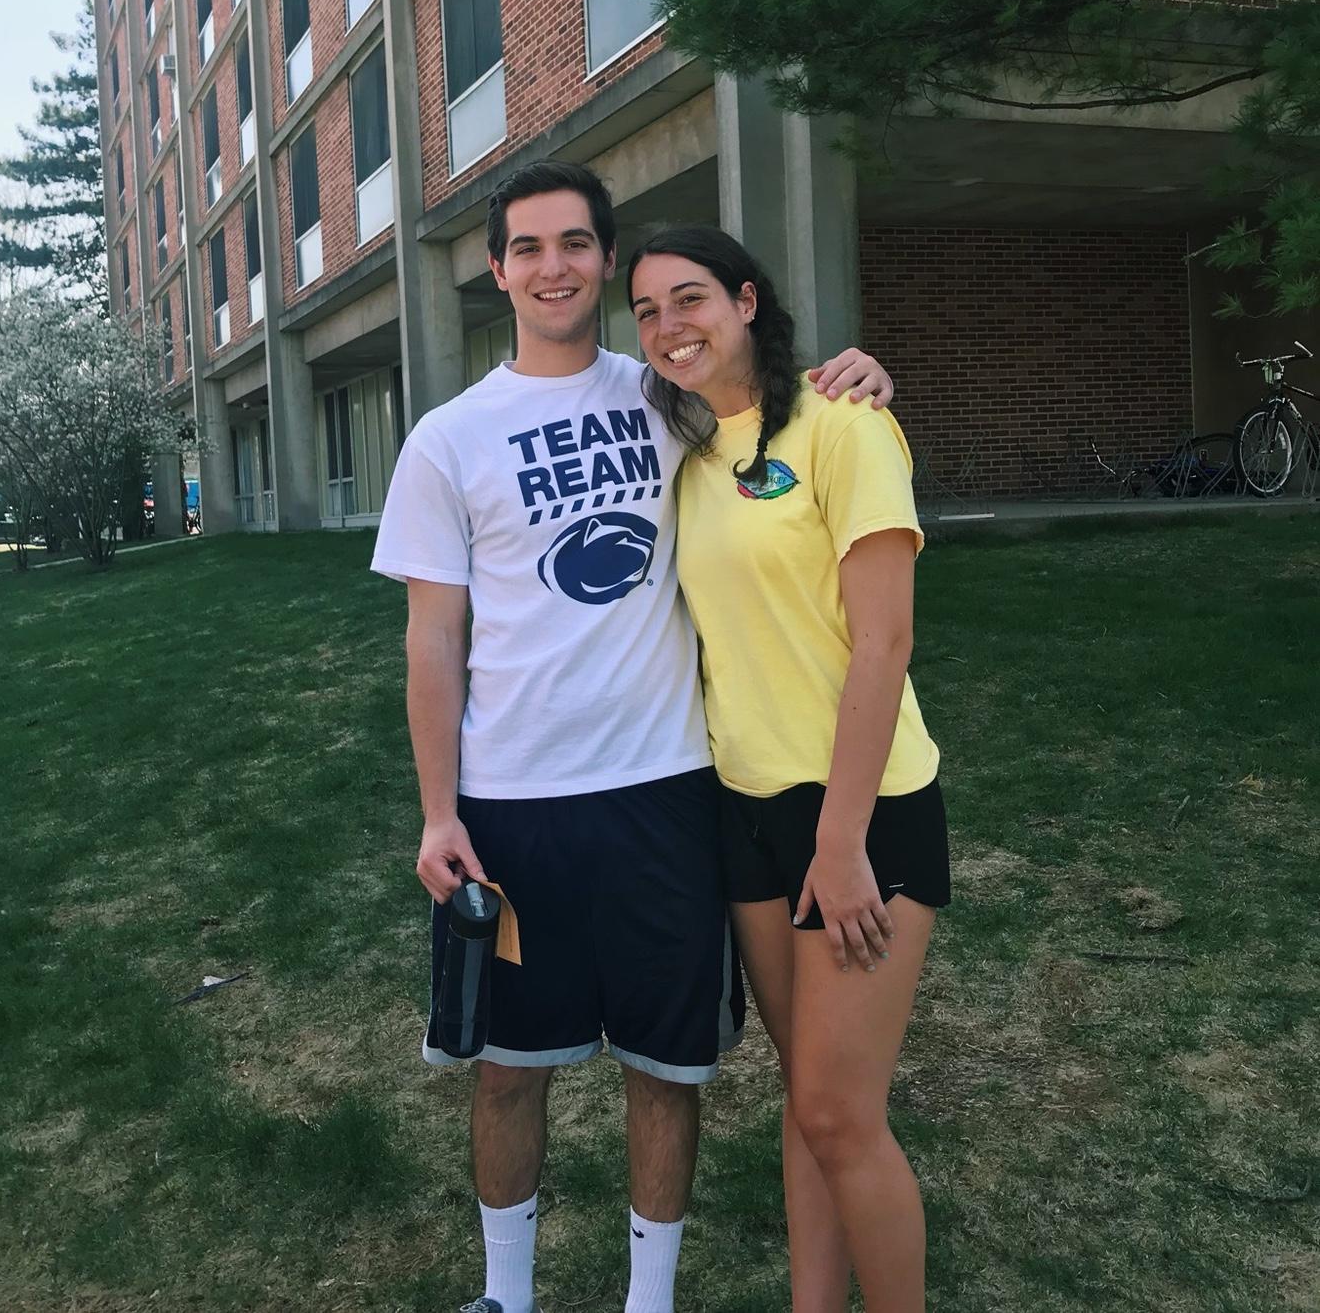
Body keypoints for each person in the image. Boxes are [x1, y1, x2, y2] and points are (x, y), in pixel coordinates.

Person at [371, 161, 895, 1313]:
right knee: (510, 1067)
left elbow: (787, 417)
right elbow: (430, 642)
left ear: (606, 260)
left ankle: (646, 1302)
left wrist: (858, 374)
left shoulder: (671, 396)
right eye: (527, 248)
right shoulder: (447, 440)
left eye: (574, 243)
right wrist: (442, 811)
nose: (552, 267)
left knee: (665, 1069)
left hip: (667, 792)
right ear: (498, 270)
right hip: (512, 804)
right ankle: (507, 1296)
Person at [628, 225, 950, 1313]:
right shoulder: (693, 447)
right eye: (650, 312)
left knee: (840, 1116)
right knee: (808, 1100)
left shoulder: (844, 425)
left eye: (691, 299)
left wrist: (844, 839)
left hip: (861, 810)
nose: (671, 327)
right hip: (746, 809)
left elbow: (887, 644)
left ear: (747, 300)